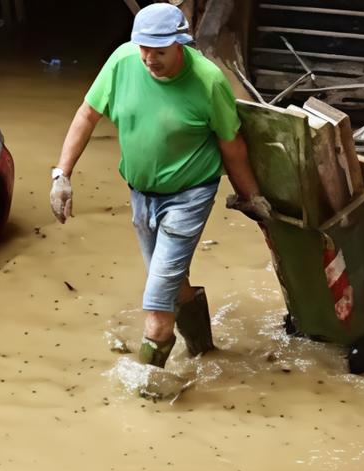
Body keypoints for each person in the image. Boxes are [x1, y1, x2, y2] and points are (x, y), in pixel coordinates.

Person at [49, 2, 271, 368]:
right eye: (144, 48)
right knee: (170, 282)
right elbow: (87, 114)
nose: (149, 58)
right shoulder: (122, 61)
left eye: (160, 51)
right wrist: (62, 175)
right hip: (140, 195)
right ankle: (204, 350)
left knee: (156, 309)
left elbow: (233, 146)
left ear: (180, 44)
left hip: (188, 197)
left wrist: (253, 198)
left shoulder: (208, 81)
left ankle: (147, 391)